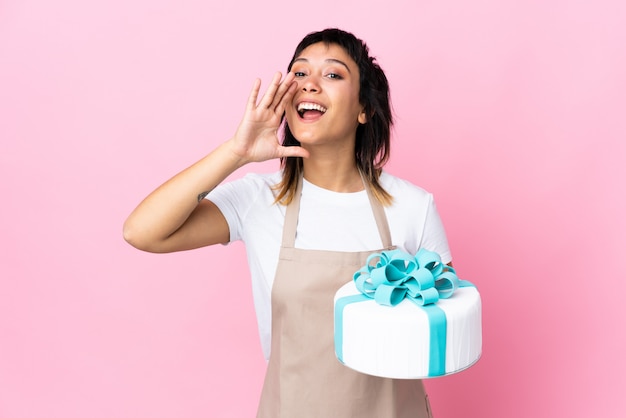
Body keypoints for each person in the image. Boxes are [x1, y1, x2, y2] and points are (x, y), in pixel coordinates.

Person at [124, 28, 451, 418]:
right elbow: (142, 232)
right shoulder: (259, 200)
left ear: (364, 108)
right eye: (299, 73)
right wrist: (237, 152)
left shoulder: (413, 206)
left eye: (332, 74)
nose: (309, 84)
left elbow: (442, 326)